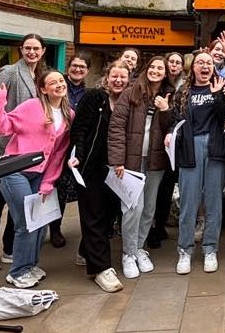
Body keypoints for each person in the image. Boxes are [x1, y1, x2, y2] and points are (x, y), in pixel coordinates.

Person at [0, 69, 72, 289]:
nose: (59, 85)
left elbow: (59, 153)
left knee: (39, 221)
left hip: (40, 174)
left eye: (61, 80)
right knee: (25, 222)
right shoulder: (31, 106)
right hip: (15, 171)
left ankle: (31, 264)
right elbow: (0, 126)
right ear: (43, 89)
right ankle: (18, 271)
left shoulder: (69, 114)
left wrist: (48, 181)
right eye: (53, 83)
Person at [0, 33, 46, 274]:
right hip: (6, 149)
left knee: (20, 202)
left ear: (43, 51)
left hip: (28, 153)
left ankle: (9, 249)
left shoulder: (39, 76)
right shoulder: (9, 72)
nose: (32, 52)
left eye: (36, 48)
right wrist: (10, 129)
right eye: (28, 48)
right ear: (21, 49)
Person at [107, 55, 174, 279]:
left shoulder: (168, 95)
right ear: (146, 69)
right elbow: (116, 127)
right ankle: (128, 253)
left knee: (149, 208)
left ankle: (138, 248)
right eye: (153, 67)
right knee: (132, 208)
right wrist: (117, 160)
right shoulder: (131, 92)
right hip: (132, 161)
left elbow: (172, 127)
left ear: (165, 73)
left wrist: (166, 110)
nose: (156, 71)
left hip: (155, 160)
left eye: (160, 68)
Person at [166, 49, 225, 274]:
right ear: (192, 67)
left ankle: (210, 248)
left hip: (215, 149)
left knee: (214, 202)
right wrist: (170, 131)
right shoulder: (184, 91)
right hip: (189, 150)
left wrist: (218, 96)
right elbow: (176, 119)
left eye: (209, 63)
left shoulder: (221, 88)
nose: (205, 66)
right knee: (188, 202)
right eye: (200, 62)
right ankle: (185, 249)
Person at [68, 61, 128, 292]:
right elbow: (80, 129)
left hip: (115, 169)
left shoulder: (127, 102)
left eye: (123, 77)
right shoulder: (94, 97)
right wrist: (78, 155)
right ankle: (101, 268)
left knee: (109, 215)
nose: (119, 80)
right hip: (90, 168)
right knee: (93, 215)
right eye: (115, 75)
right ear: (107, 76)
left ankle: (86, 251)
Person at [147, 51, 188, 249]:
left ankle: (159, 226)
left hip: (172, 148)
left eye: (177, 62)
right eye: (170, 61)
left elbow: (176, 118)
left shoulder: (180, 88)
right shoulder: (152, 87)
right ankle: (150, 227)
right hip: (152, 145)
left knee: (165, 189)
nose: (173, 65)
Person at [48, 53, 90, 249]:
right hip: (57, 146)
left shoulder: (88, 93)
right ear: (69, 67)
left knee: (73, 188)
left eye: (82, 67)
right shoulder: (59, 87)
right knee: (58, 189)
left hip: (77, 146)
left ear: (87, 71)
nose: (78, 69)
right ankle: (54, 229)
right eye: (75, 65)